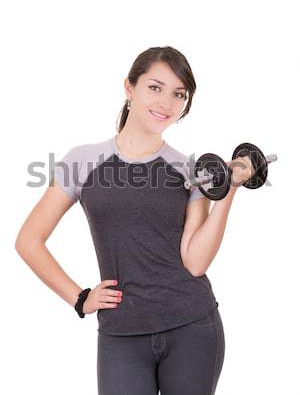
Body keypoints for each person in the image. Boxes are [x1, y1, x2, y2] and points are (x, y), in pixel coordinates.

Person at [15, 45, 255, 395]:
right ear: (129, 88)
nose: (166, 104)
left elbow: (195, 260)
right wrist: (80, 298)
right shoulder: (82, 161)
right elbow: (28, 240)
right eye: (155, 87)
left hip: (192, 326)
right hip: (121, 333)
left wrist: (229, 189)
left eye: (178, 94)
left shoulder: (189, 171)